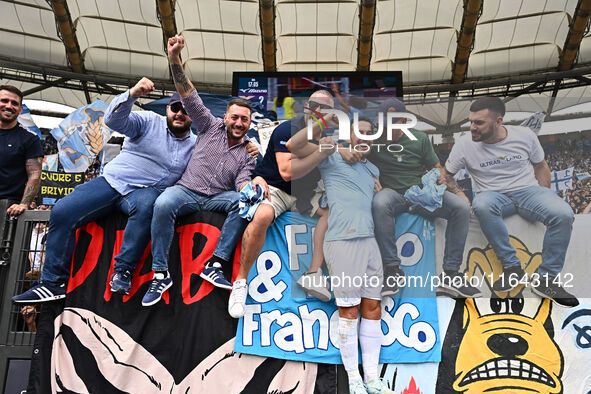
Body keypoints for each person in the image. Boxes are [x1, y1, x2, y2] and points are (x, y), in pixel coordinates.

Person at [13, 77, 196, 303]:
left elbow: (219, 153)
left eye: (187, 110)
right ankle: (52, 283)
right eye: (176, 107)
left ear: (194, 115)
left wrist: (246, 148)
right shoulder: (149, 120)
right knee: (61, 210)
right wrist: (133, 94)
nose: (180, 113)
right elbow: (114, 120)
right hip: (112, 182)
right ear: (168, 109)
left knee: (149, 204)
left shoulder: (196, 144)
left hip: (145, 192)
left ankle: (123, 271)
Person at [142, 35, 261, 306]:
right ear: (225, 117)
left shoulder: (248, 151)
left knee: (242, 204)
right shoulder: (208, 125)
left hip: (218, 196)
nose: (239, 122)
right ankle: (160, 273)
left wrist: (248, 191)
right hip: (187, 191)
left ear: (250, 122)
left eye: (244, 119)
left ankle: (216, 264)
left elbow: (243, 180)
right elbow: (187, 92)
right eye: (235, 117)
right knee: (162, 204)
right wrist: (174, 59)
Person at [290, 117, 397, 394]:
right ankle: (354, 379)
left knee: (373, 309)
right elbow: (295, 144)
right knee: (349, 311)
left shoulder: (372, 168)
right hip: (342, 240)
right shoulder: (330, 155)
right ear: (348, 135)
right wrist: (325, 128)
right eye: (359, 131)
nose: (364, 136)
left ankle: (372, 380)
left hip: (369, 241)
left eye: (369, 132)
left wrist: (380, 189)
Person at [445, 96, 578, 307]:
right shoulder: (463, 145)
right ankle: (512, 268)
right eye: (470, 121)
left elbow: (541, 166)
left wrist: (544, 195)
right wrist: (460, 194)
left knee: (563, 214)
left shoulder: (524, 135)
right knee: (482, 205)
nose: (472, 127)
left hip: (527, 191)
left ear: (498, 121)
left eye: (479, 122)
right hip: (492, 194)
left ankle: (547, 279)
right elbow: (446, 174)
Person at [342, 98, 475, 297]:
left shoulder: (419, 138)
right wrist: (341, 149)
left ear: (404, 121)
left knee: (461, 208)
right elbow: (349, 145)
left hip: (420, 194)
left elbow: (437, 168)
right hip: (392, 193)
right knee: (380, 202)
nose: (385, 126)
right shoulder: (373, 138)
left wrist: (458, 192)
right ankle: (392, 270)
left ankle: (451, 273)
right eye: (382, 121)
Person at [228, 90, 337, 318]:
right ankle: (241, 282)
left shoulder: (331, 134)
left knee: (335, 213)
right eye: (316, 106)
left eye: (326, 108)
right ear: (307, 106)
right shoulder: (288, 128)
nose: (320, 112)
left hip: (304, 194)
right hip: (275, 188)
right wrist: (320, 153)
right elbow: (287, 172)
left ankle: (314, 273)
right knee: (262, 216)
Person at [0, 85, 43, 217]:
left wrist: (24, 204)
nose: (9, 106)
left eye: (14, 103)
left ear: (20, 109)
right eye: (4, 101)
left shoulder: (30, 139)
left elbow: (34, 175)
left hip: (7, 207)